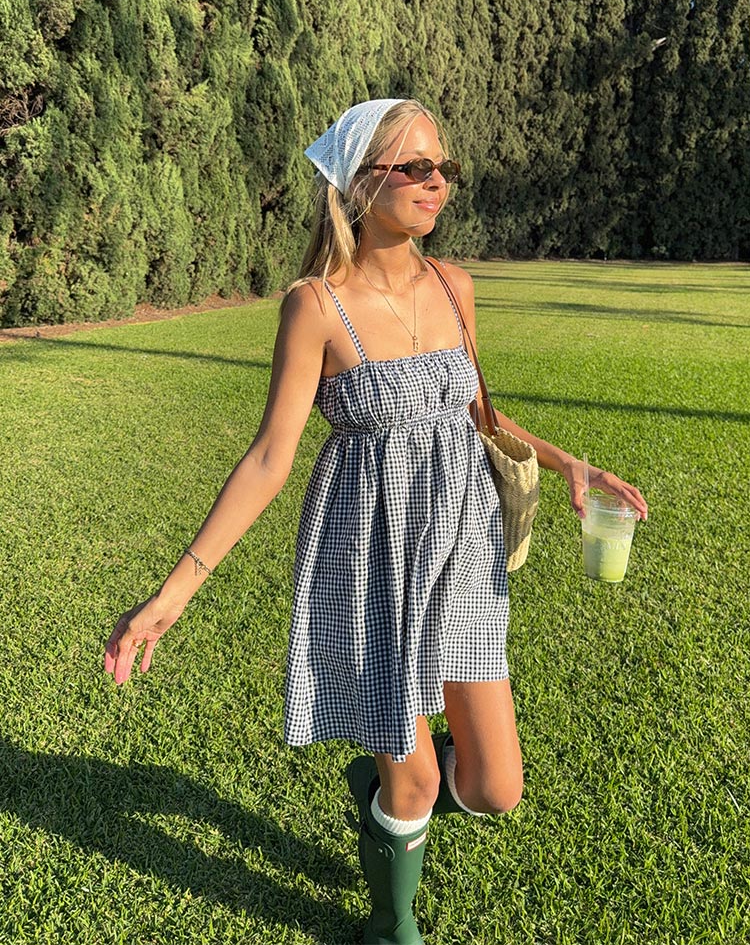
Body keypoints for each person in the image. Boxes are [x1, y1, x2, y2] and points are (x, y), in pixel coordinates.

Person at [105, 98, 648, 945]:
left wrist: (569, 461)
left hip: (464, 551)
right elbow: (268, 459)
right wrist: (175, 591)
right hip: (370, 554)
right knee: (419, 788)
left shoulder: (454, 286)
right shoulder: (315, 306)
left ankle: (391, 774)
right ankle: (391, 925)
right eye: (416, 169)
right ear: (360, 185)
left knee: (496, 788)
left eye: (445, 168)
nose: (439, 184)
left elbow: (477, 417)